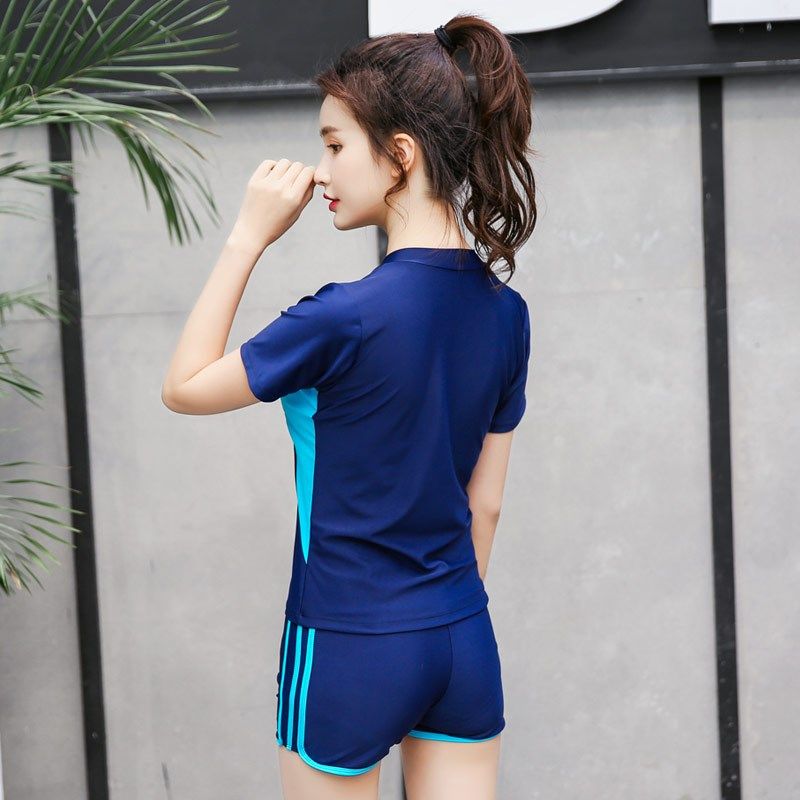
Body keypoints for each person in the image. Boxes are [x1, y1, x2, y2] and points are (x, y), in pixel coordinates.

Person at [162, 12, 537, 800]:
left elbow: (184, 387)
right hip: (462, 637)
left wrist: (248, 236)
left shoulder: (340, 317)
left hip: (347, 642)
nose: (320, 169)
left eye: (335, 145)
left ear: (400, 155)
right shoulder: (506, 313)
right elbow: (488, 506)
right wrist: (439, 613)